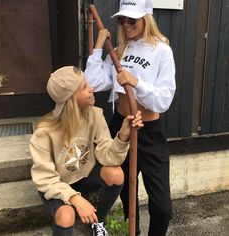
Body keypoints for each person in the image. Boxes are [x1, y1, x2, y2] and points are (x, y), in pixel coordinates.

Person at [85, 0, 176, 235]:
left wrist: (136, 83)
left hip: (149, 130)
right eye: (121, 20)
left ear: (146, 18)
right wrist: (97, 47)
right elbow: (93, 83)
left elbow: (164, 99)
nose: (126, 25)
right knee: (127, 194)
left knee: (162, 207)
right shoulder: (120, 50)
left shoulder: (161, 50)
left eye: (132, 20)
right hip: (121, 127)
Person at [29, 66, 143, 236]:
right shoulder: (43, 134)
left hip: (84, 176)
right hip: (57, 183)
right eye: (84, 87)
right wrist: (75, 198)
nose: (92, 88)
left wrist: (123, 136)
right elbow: (45, 179)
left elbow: (108, 156)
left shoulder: (95, 115)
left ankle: (98, 221)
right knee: (66, 216)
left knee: (116, 174)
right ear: (70, 99)